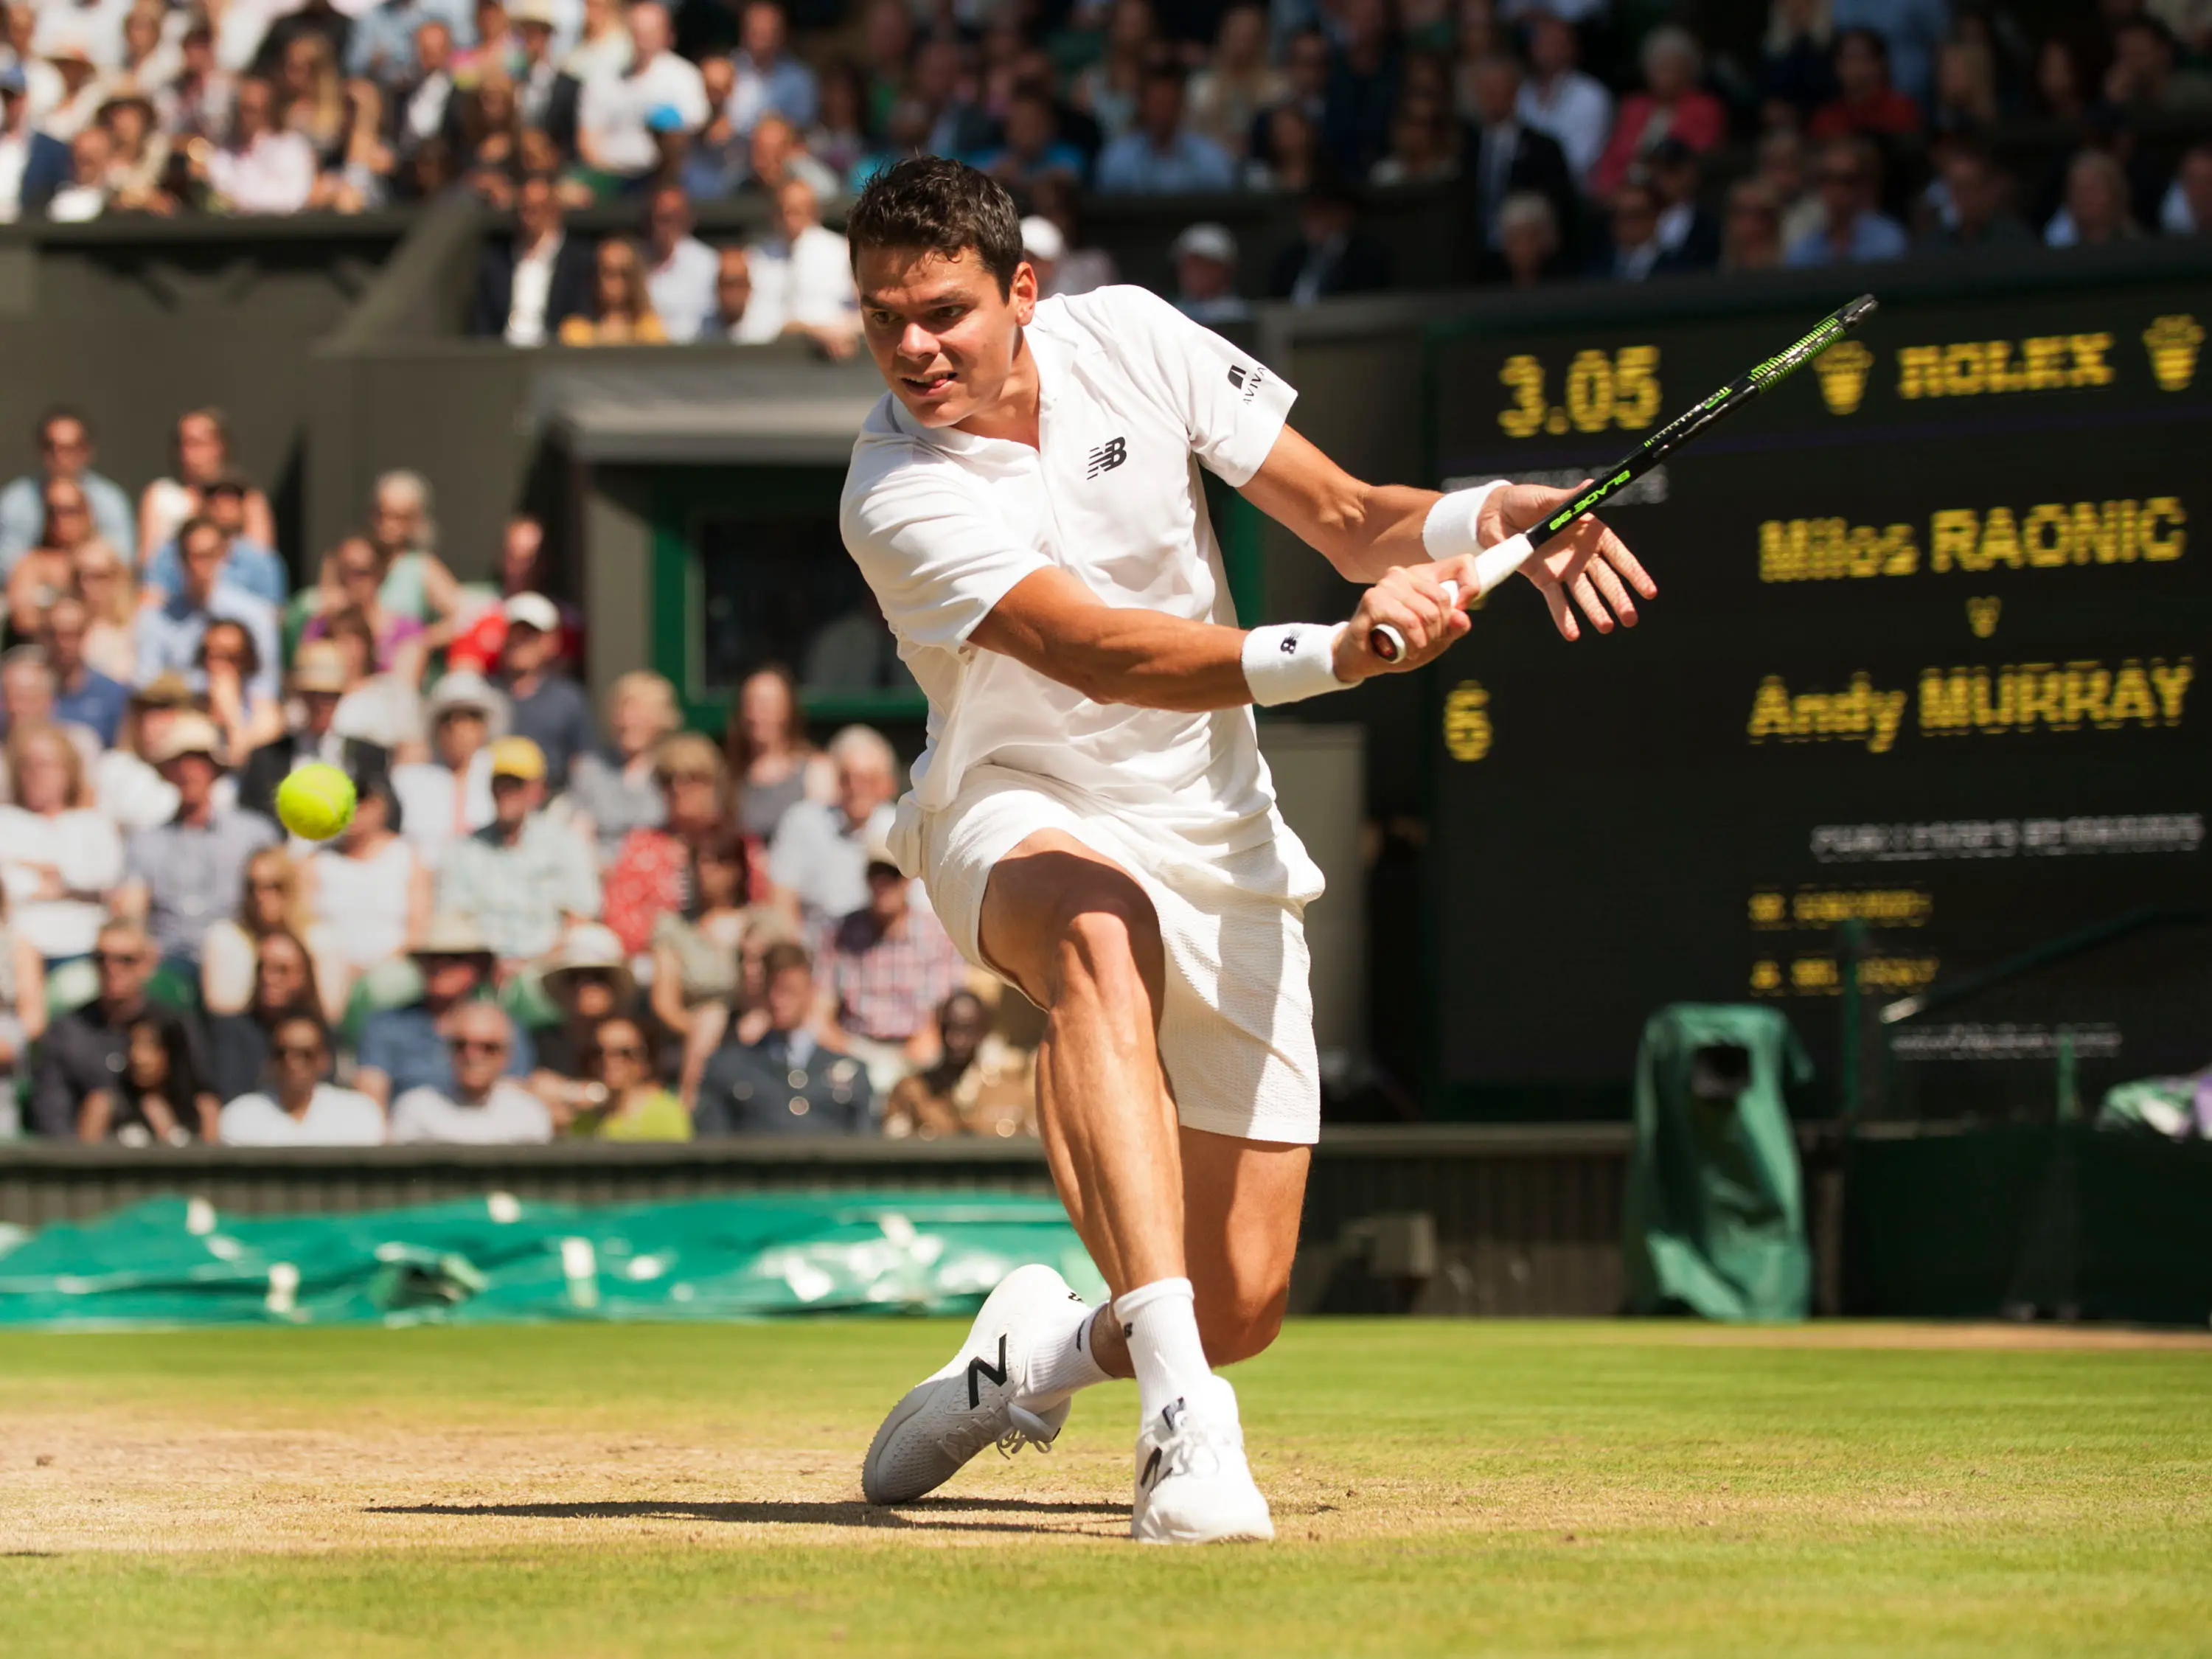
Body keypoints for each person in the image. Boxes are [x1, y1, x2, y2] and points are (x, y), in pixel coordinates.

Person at [836, 160, 1649, 1540]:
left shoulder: (1138, 339)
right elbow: (1098, 655)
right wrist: (1337, 653)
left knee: (1245, 1304)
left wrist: (1492, 512)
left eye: (944, 312)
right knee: (1097, 936)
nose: (913, 347)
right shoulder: (893, 493)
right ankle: (1182, 1429)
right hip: (1015, 799)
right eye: (883, 318)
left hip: (1218, 828)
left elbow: (1350, 517)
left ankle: (1029, 1362)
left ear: (1022, 293)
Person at [117, 713, 280, 971]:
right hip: (166, 962)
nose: (188, 772)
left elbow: (278, 903)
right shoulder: (146, 841)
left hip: (239, 961)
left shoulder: (253, 834)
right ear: (167, 772)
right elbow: (130, 913)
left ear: (215, 768)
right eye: (178, 762)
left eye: (198, 761)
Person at [816, 822, 966, 1097]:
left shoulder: (935, 934)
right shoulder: (841, 933)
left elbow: (942, 1010)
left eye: (892, 874)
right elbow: (822, 1009)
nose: (883, 884)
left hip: (915, 1049)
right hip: (855, 1046)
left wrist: (917, 1049)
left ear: (907, 879)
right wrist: (838, 1045)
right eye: (876, 873)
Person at [32, 919, 210, 1139]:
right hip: (88, 1162)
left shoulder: (174, 1026)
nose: (112, 969)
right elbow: (52, 1118)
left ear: (148, 963)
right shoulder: (67, 1032)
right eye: (101, 959)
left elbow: (204, 1103)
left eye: (125, 960)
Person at [437, 734, 599, 971]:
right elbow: (454, 918)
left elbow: (580, 917)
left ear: (537, 789)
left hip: (547, 969)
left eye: (516, 784)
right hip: (480, 969)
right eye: (499, 782)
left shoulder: (565, 844)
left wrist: (536, 963)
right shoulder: (465, 848)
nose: (506, 791)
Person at [354, 911, 536, 1109]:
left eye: (455, 958)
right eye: (432, 958)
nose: (441, 965)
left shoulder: (504, 1027)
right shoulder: (386, 1026)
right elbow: (370, 1100)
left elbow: (514, 1098)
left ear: (480, 966)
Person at [694, 939, 869, 1135]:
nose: (778, 1001)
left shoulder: (851, 1073)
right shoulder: (729, 1069)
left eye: (789, 991)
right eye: (771, 989)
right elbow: (710, 1151)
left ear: (810, 992)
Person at [0, 721, 122, 964]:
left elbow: (106, 877)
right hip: (18, 948)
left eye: (46, 765)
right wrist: (63, 882)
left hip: (84, 946)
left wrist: (47, 871)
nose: (36, 774)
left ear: (68, 769)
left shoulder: (93, 823)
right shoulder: (6, 821)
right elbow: (8, 885)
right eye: (27, 766)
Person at [234, 641, 393, 825]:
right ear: (301, 695)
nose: (321, 704)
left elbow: (389, 817)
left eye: (331, 695)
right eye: (313, 694)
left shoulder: (368, 755)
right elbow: (251, 820)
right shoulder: (267, 757)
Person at [302, 771, 427, 1004]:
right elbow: (305, 925)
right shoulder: (315, 862)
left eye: (360, 799)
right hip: (330, 974)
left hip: (392, 975)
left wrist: (375, 970)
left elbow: (417, 933)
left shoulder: (408, 857)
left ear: (381, 805)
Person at [135, 517, 282, 707]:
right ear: (179, 559)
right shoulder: (157, 619)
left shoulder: (254, 615)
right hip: (179, 719)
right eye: (192, 556)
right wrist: (205, 685)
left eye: (208, 554)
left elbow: (266, 686)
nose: (199, 566)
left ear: (223, 554)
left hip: (242, 716)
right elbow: (146, 681)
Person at [765, 723, 895, 929]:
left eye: (867, 779)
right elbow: (781, 902)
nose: (856, 788)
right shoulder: (801, 822)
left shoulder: (901, 829)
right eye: (847, 778)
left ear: (888, 784)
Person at [574, 0, 703, 187]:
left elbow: (689, 136)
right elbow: (587, 142)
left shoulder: (685, 77)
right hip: (609, 179)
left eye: (650, 33)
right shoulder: (602, 79)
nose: (643, 41)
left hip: (666, 180)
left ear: (668, 35)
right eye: (637, 33)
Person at [1590, 25, 1727, 199]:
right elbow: (1612, 157)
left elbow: (1694, 159)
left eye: (1672, 69)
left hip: (1669, 195)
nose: (1665, 77)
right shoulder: (1633, 107)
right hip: (1621, 193)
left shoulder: (1705, 108)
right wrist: (1606, 190)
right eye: (1659, 68)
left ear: (1688, 72)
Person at [389, 998, 552, 1143]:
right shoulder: (415, 1108)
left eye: (488, 1047)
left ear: (506, 1055)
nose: (472, 1056)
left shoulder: (528, 1113)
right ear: (447, 1050)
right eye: (461, 1045)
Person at [390, 669, 506, 870]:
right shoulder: (409, 780)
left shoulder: (503, 772)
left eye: (470, 717)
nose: (458, 728)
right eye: (449, 719)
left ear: (484, 726)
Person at [883, 988, 1035, 1140]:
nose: (955, 1041)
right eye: (948, 1029)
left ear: (983, 1032)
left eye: (966, 1030)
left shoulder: (1012, 1094)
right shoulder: (912, 1092)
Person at [0, 408, 135, 576]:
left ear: (86, 450)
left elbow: (122, 565)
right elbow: (7, 567)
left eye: (69, 448)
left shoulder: (110, 500)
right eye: (51, 447)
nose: (60, 457)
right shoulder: (15, 500)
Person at [218, 1011, 384, 1145]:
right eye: (282, 1053)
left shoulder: (359, 1115)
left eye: (306, 1054)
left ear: (324, 1061)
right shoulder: (240, 1116)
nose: (293, 1063)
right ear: (269, 1061)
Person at [566, 669, 680, 863]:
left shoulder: (673, 770)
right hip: (602, 875)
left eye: (640, 714)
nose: (628, 721)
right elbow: (578, 835)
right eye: (623, 712)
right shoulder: (591, 769)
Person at [139, 408, 277, 567]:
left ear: (220, 446)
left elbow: (263, 564)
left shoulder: (247, 497)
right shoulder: (161, 494)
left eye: (198, 443)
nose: (188, 454)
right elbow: (149, 562)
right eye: (183, 444)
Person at [471, 169, 595, 344]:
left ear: (554, 211)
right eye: (524, 210)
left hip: (554, 357)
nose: (528, 218)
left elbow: (580, 316)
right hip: (501, 357)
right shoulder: (497, 261)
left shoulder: (578, 260)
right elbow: (482, 321)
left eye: (537, 210)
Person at [740, 177, 860, 356]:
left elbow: (865, 312)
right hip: (769, 357)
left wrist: (839, 330)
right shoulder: (755, 258)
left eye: (798, 211)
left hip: (830, 359)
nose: (789, 220)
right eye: (783, 212)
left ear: (815, 212)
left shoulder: (841, 253)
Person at [490, 592, 595, 787]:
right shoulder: (483, 695)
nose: (519, 643)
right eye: (514, 634)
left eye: (529, 636)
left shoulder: (569, 700)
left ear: (551, 642)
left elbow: (582, 763)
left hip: (553, 803)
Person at [141, 473, 288, 609]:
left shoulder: (261, 561)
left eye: (232, 498)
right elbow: (151, 603)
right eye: (213, 496)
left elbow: (271, 617)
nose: (223, 505)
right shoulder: (170, 553)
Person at [723, 663, 829, 839]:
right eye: (751, 704)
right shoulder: (729, 774)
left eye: (767, 705)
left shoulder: (816, 771)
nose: (757, 715)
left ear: (788, 710)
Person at [77, 1012, 217, 1145]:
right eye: (132, 1045)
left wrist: (168, 1132)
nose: (137, 1057)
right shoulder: (104, 1105)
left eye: (149, 1047)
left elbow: (211, 1164)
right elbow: (84, 1162)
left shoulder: (204, 1108)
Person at [1096, 65, 1236, 195]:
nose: (1162, 113)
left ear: (1181, 107)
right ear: (1142, 106)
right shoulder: (1118, 159)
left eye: (1169, 104)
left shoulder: (1209, 159)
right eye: (1156, 104)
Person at [7, 477, 114, 647]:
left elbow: (119, 610)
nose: (61, 519)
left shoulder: (103, 557)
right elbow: (23, 620)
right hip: (48, 651)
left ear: (86, 513)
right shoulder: (31, 563)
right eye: (53, 511)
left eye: (70, 510)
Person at [1516, 9, 1610, 189]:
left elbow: (1580, 161)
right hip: (1525, 190)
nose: (1544, 48)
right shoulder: (1522, 91)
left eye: (1553, 42)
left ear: (1571, 48)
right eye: (1540, 41)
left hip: (1571, 193)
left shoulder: (1591, 95)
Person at [560, 1011, 688, 1139]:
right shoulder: (583, 1120)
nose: (610, 1061)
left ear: (645, 1061)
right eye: (598, 1052)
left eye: (625, 1053)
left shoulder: (665, 1114)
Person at [1786, 135, 1909, 265]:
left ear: (1865, 185)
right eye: (1828, 179)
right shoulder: (1805, 248)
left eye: (1847, 180)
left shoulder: (1887, 240)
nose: (1837, 190)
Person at [1809, 27, 1924, 140]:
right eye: (1849, 58)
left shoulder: (1901, 111)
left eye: (1863, 58)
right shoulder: (1826, 119)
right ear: (1837, 66)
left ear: (1880, 64)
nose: (1855, 66)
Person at [41, 598, 126, 745]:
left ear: (85, 634)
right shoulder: (25, 692)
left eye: (71, 634)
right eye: (53, 633)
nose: (61, 642)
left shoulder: (111, 693)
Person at [558, 234, 669, 345]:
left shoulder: (650, 327)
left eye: (623, 273)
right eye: (607, 273)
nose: (615, 282)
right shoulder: (576, 329)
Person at [641, 183, 717, 341]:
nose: (666, 227)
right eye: (661, 218)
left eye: (674, 218)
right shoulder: (637, 262)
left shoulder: (709, 264)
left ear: (688, 220)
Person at [1169, 223, 1251, 327]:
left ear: (1226, 269)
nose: (1196, 272)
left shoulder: (1238, 315)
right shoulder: (1168, 312)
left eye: (1205, 265)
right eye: (1190, 264)